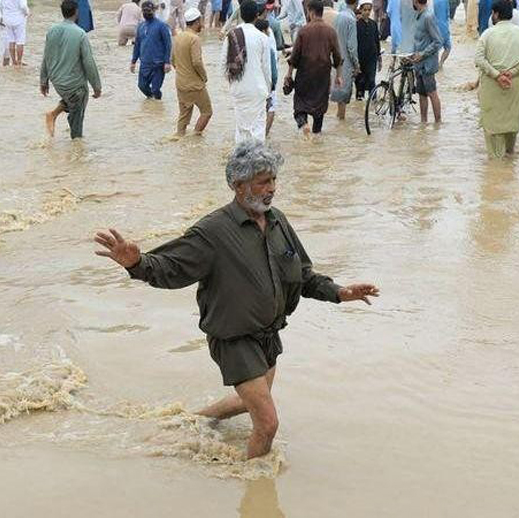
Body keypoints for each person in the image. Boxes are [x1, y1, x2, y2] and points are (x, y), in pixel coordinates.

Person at [93, 140, 379, 460]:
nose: (271, 188)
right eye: (262, 181)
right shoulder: (212, 231)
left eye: (273, 179)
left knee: (249, 401)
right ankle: (253, 488)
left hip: (268, 337)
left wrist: (340, 293)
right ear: (238, 184)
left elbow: (302, 274)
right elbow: (171, 269)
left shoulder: (277, 221)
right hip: (233, 339)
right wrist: (136, 263)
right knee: (267, 423)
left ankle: (191, 421)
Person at [474, 0, 519, 158]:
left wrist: (497, 75)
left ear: (495, 14)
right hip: (513, 85)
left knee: (493, 129)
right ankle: (509, 168)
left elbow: (479, 59)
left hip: (492, 86)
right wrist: (513, 72)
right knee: (511, 124)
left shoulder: (487, 34)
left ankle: (496, 171)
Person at [40, 0, 103, 139]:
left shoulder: (51, 31)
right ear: (76, 12)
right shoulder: (80, 33)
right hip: (74, 86)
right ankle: (76, 149)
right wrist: (96, 86)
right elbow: (89, 62)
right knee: (78, 124)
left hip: (57, 83)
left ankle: (54, 115)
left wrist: (43, 81)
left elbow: (46, 57)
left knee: (74, 101)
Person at [284, 0, 340, 135]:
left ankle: (303, 125)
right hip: (323, 76)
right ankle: (316, 136)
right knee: (319, 111)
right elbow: (337, 56)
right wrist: (338, 75)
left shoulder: (304, 31)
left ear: (311, 12)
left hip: (305, 75)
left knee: (299, 107)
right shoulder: (331, 31)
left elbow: (295, 56)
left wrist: (289, 74)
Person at [223, 0, 272, 143]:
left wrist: (231, 85)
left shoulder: (231, 36)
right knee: (257, 129)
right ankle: (256, 161)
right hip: (257, 89)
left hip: (238, 88)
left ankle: (240, 159)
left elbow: (223, 65)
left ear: (241, 15)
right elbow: (266, 69)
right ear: (257, 15)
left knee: (241, 128)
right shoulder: (263, 37)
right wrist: (267, 90)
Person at [172, 8, 212, 136]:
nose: (202, 24)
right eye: (201, 21)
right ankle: (195, 137)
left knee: (184, 115)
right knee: (207, 112)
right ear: (197, 22)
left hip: (180, 83)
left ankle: (180, 138)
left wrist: (182, 72)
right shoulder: (194, 39)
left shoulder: (178, 37)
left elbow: (172, 60)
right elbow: (197, 62)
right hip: (195, 85)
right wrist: (204, 77)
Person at [131, 2, 173, 100]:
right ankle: (151, 103)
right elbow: (137, 45)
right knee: (142, 86)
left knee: (155, 89)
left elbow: (168, 44)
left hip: (158, 64)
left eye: (149, 11)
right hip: (144, 63)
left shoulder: (162, 26)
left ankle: (158, 104)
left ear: (154, 10)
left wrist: (167, 62)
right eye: (144, 11)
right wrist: (133, 61)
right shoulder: (141, 27)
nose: (146, 13)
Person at [411, 0, 442, 124]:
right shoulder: (418, 15)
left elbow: (438, 41)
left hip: (427, 64)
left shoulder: (428, 16)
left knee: (431, 92)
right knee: (422, 93)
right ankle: (423, 122)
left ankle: (438, 122)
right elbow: (418, 39)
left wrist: (423, 54)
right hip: (418, 64)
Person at [330, 0, 357, 120]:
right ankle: (341, 120)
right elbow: (352, 47)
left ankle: (339, 119)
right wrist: (357, 64)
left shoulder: (338, 16)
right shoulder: (351, 20)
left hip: (335, 60)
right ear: (356, 3)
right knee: (344, 95)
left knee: (338, 93)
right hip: (346, 62)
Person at [355, 0, 380, 100]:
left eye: (369, 10)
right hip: (360, 58)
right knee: (360, 81)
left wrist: (379, 57)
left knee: (371, 80)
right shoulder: (356, 24)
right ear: (360, 10)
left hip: (372, 58)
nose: (367, 12)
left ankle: (373, 104)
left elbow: (376, 41)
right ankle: (359, 102)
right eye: (365, 10)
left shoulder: (373, 24)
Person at [0, 0, 30, 66]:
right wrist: (27, 12)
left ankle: (13, 61)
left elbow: (0, 6)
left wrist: (4, 15)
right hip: (19, 19)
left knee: (11, 40)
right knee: (20, 41)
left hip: (7, 19)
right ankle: (19, 61)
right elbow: (23, 6)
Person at [434, 0, 452, 68]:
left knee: (434, 51)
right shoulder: (445, 1)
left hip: (434, 28)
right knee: (448, 48)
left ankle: (436, 65)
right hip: (444, 27)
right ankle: (441, 63)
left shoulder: (430, 2)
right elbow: (448, 15)